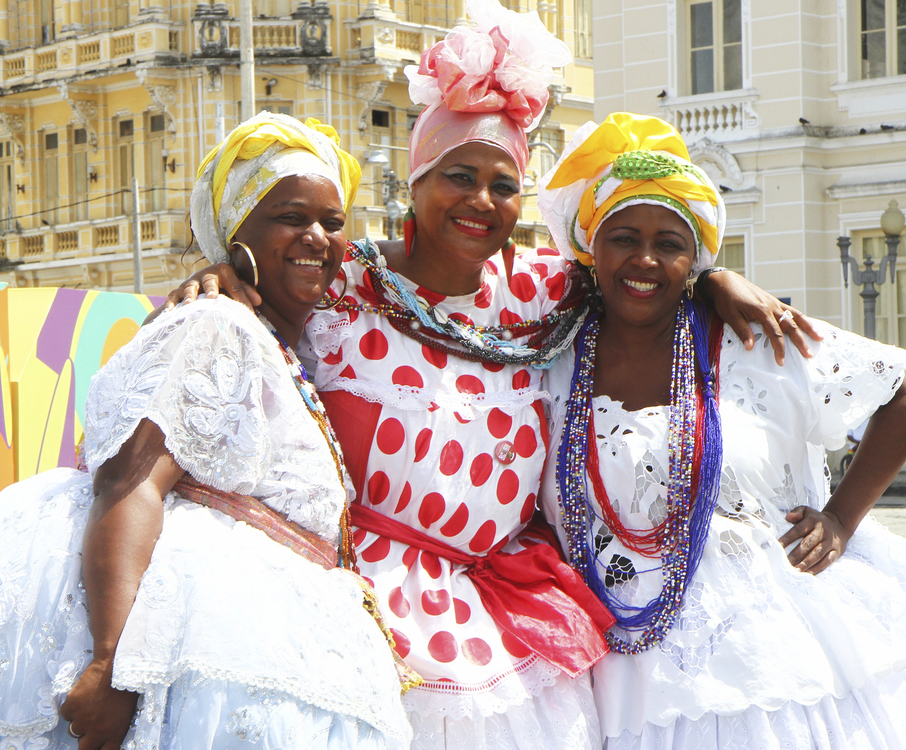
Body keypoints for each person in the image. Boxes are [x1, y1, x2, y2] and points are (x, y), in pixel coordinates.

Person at [161, 5, 817, 748]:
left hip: (495, 602)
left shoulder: (542, 290)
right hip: (365, 597)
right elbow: (278, 271)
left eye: (503, 185)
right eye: (458, 176)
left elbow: (638, 266)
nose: (480, 200)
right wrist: (224, 269)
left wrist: (710, 276)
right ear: (415, 182)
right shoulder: (345, 285)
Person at [0, 114, 413, 750]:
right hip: (187, 657)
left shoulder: (273, 335)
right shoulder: (215, 324)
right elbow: (130, 480)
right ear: (234, 232)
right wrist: (110, 664)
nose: (317, 237)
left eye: (333, 223)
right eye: (289, 216)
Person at [536, 112, 906, 748]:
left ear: (696, 258)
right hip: (604, 647)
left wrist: (841, 520)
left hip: (765, 639)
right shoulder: (550, 353)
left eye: (670, 243)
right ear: (589, 247)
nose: (645, 259)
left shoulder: (752, 339)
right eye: (623, 236)